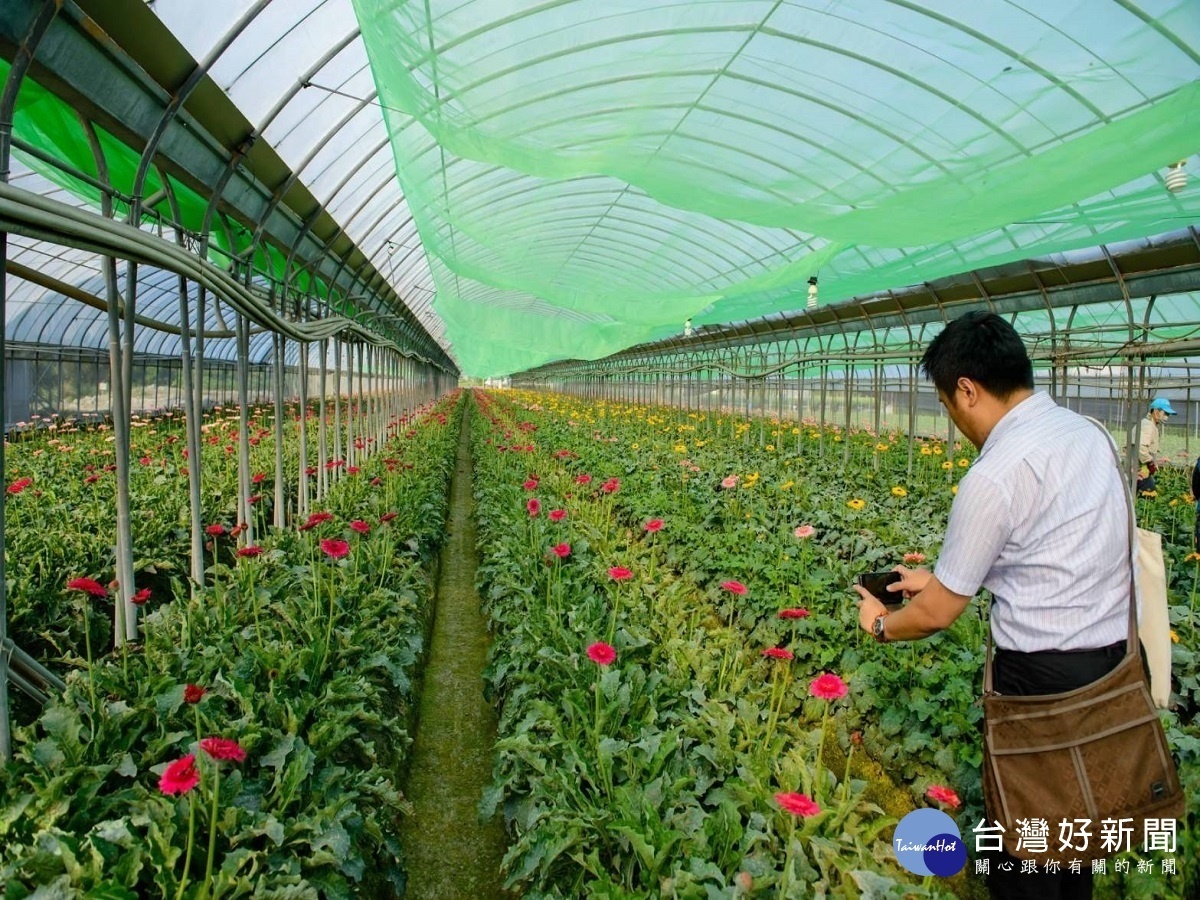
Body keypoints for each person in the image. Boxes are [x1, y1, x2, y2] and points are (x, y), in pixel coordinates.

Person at [853, 311, 1132, 900]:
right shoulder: (1089, 434)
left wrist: (879, 624)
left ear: (967, 390)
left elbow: (935, 615)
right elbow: (1058, 546)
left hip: (1039, 682)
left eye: (947, 405)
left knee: (1023, 851)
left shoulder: (995, 472)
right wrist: (944, 576)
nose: (954, 423)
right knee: (1071, 837)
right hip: (1110, 669)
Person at [1137, 397, 1176, 494]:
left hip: (1142, 469)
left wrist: (1157, 460)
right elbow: (1141, 447)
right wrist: (1151, 462)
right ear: (1156, 411)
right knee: (1149, 495)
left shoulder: (1150, 425)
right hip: (1141, 471)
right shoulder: (1148, 426)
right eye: (1165, 413)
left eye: (1168, 414)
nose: (1167, 417)